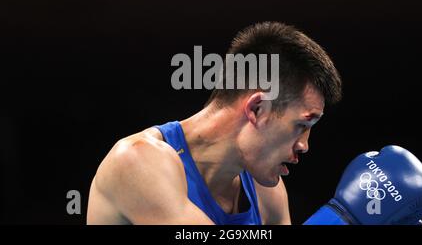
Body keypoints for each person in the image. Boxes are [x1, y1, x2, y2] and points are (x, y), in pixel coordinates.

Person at [86, 21, 343, 224]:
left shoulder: (266, 194)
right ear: (257, 108)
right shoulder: (137, 162)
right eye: (302, 125)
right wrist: (340, 217)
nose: (304, 145)